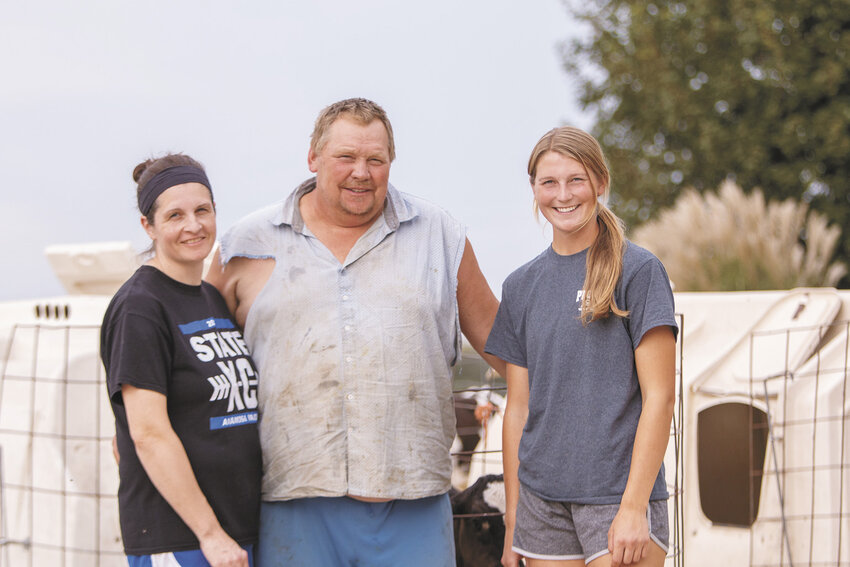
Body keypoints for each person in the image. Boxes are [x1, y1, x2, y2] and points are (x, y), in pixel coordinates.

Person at [206, 97, 506, 566]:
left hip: (415, 498)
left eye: (375, 159)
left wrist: (577, 396)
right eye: (346, 157)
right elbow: (199, 353)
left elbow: (499, 338)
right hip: (290, 498)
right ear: (313, 157)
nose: (361, 172)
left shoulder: (440, 235)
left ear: (391, 162)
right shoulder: (246, 244)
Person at [485, 127, 678, 567]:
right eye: (548, 182)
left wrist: (634, 507)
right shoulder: (520, 286)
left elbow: (660, 397)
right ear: (534, 190)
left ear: (600, 183)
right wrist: (514, 520)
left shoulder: (639, 271)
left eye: (576, 179)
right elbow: (518, 409)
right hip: (541, 504)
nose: (563, 194)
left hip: (616, 498)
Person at [101, 154, 262, 567]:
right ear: (148, 226)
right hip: (184, 539)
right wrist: (209, 535)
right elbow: (148, 434)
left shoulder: (210, 296)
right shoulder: (140, 307)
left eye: (202, 210)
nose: (193, 226)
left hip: (234, 531)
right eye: (175, 215)